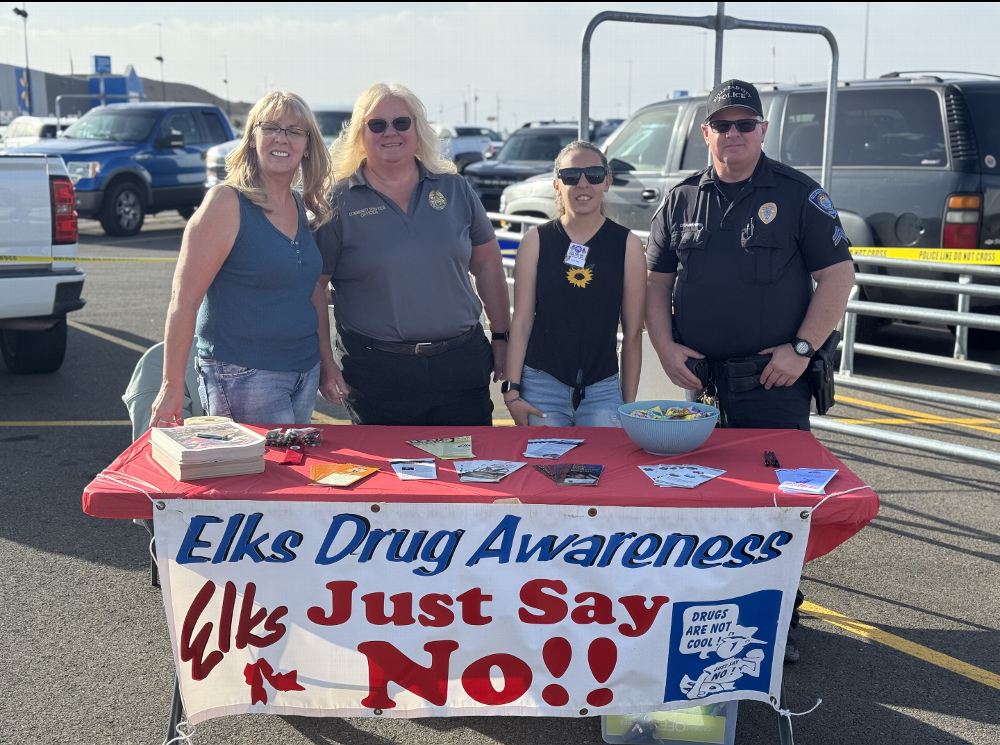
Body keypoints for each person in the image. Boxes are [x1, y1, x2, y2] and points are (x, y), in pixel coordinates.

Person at [645, 79, 856, 661]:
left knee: (776, 504)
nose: (733, 134)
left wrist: (802, 348)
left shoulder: (798, 194)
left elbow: (838, 276)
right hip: (701, 384)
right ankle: (708, 612)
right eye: (723, 124)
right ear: (705, 132)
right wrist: (664, 347)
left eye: (745, 124)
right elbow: (656, 283)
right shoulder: (682, 199)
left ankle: (780, 617)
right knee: (704, 499)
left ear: (763, 129)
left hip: (772, 383)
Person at [315, 83, 510, 426]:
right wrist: (325, 362)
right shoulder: (338, 201)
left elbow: (487, 264)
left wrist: (502, 337)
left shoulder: (455, 188)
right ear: (360, 134)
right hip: (377, 374)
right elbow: (314, 286)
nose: (390, 132)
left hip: (461, 366)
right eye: (377, 124)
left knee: (470, 460)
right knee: (390, 464)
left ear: (418, 129)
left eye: (401, 122)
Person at [150, 92, 336, 427]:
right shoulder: (225, 203)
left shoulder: (298, 204)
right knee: (262, 463)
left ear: (308, 146)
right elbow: (184, 300)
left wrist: (327, 363)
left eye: (294, 131)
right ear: (252, 138)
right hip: (244, 375)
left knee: (292, 462)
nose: (281, 138)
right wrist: (172, 384)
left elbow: (312, 293)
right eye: (271, 128)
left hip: (303, 373)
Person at [503, 141, 646, 427]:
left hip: (603, 390)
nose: (583, 184)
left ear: (607, 181)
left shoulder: (627, 245)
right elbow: (521, 321)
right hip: (541, 387)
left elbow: (632, 333)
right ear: (556, 184)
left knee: (608, 458)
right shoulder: (535, 241)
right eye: (570, 176)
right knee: (543, 459)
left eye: (593, 174)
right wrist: (512, 392)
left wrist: (626, 405)